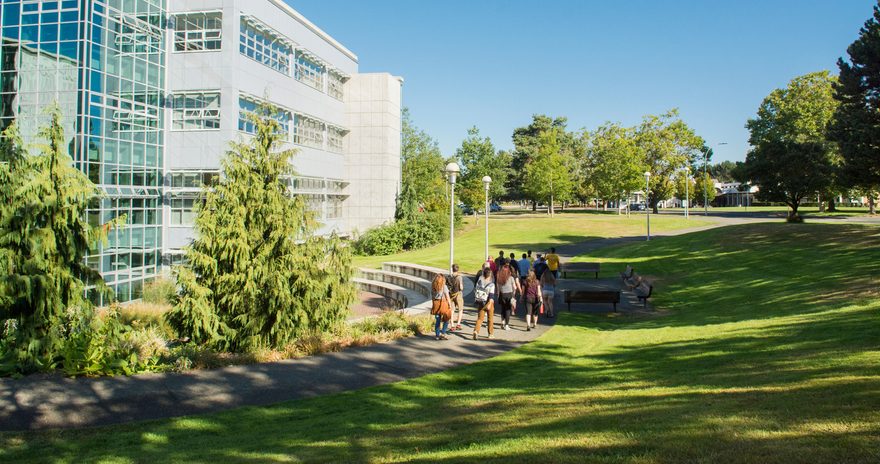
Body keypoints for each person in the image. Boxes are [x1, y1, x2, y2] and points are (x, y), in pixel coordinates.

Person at [472, 266, 496, 340]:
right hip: (488, 302)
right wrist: (489, 304)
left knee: (480, 318)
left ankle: (476, 331)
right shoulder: (491, 284)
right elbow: (491, 296)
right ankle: (490, 333)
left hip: (480, 301)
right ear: (490, 274)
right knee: (490, 318)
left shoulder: (480, 280)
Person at [496, 263, 520, 330]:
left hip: (502, 294)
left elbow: (498, 287)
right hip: (509, 294)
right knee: (508, 310)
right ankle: (506, 324)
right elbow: (515, 287)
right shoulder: (511, 278)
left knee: (502, 309)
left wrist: (498, 294)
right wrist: (514, 294)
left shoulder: (499, 278)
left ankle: (502, 322)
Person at [431, 273, 453, 340]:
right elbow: (447, 296)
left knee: (437, 320)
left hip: (436, 304)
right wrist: (450, 305)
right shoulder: (444, 287)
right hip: (444, 304)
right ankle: (443, 333)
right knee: (446, 319)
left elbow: (432, 296)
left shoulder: (433, 287)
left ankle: (437, 335)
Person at [447, 264, 465, 331]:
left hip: (451, 295)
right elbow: (461, 287)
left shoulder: (449, 277)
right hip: (458, 294)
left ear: (452, 269)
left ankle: (452, 325)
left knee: (452, 310)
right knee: (460, 309)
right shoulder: (459, 277)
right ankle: (458, 324)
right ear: (458, 269)